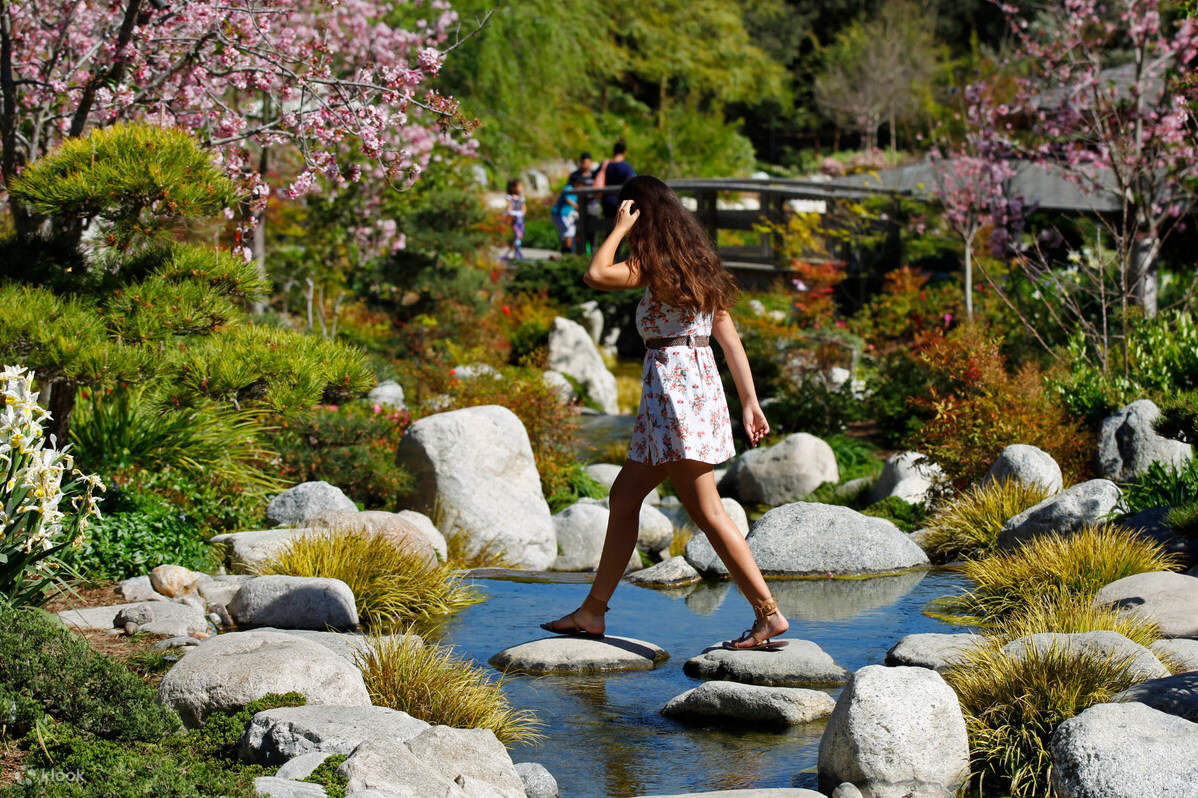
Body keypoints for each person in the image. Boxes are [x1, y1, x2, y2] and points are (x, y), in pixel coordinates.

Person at [539, 175, 789, 651]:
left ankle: (769, 614)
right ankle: (593, 611)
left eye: (630, 214)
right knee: (625, 495)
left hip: (676, 398)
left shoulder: (654, 266)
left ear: (639, 213)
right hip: (685, 394)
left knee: (709, 512)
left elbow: (595, 273)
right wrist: (749, 402)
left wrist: (615, 230)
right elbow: (730, 342)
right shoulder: (695, 265)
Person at [596, 139, 635, 238]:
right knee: (619, 230)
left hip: (606, 201)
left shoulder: (606, 165)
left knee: (609, 231)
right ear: (624, 152)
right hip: (620, 202)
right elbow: (633, 182)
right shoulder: (626, 167)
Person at [568, 152, 601, 254]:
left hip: (593, 208)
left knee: (593, 233)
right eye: (582, 162)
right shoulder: (574, 176)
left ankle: (591, 253)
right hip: (579, 209)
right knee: (580, 234)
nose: (584, 165)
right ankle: (582, 256)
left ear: (590, 162)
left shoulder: (595, 175)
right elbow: (569, 190)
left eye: (586, 162)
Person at [551, 175, 579, 254]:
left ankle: (566, 255)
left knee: (566, 235)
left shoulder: (574, 189)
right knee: (568, 235)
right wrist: (576, 206)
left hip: (565, 215)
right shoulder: (568, 188)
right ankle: (568, 256)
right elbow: (567, 199)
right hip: (561, 214)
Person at [502, 179, 525, 260]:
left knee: (519, 237)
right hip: (514, 219)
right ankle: (513, 253)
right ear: (513, 188)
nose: (522, 188)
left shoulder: (521, 198)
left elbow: (524, 208)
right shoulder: (510, 197)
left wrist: (522, 213)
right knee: (517, 236)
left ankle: (515, 253)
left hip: (520, 220)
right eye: (520, 186)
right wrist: (509, 217)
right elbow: (509, 208)